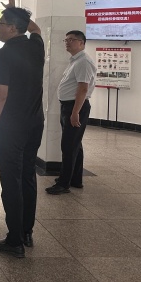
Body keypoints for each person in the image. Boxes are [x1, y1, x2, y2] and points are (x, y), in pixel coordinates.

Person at [0, 0, 44, 259]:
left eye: (1, 23)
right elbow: (36, 28)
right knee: (28, 175)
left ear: (11, 28)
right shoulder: (36, 45)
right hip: (35, 123)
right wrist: (16, 10)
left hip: (12, 126)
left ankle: (14, 240)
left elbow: (1, 95)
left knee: (11, 180)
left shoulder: (4, 54)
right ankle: (27, 232)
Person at [46, 30, 96, 195]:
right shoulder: (76, 60)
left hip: (75, 107)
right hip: (69, 106)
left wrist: (75, 112)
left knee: (68, 146)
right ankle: (75, 179)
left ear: (81, 43)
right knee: (75, 145)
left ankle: (64, 183)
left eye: (72, 40)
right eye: (66, 40)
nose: (67, 42)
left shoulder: (83, 62)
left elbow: (83, 89)